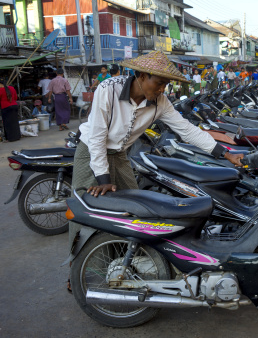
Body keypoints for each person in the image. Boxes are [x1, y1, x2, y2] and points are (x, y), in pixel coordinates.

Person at [68, 51, 243, 264]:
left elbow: (186, 130)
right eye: (159, 83)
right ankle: (76, 264)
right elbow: (96, 137)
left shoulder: (160, 102)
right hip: (90, 152)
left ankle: (121, 260)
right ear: (141, 75)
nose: (162, 90)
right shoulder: (108, 89)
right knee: (86, 207)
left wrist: (225, 153)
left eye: (165, 85)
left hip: (119, 154)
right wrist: (103, 179)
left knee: (133, 207)